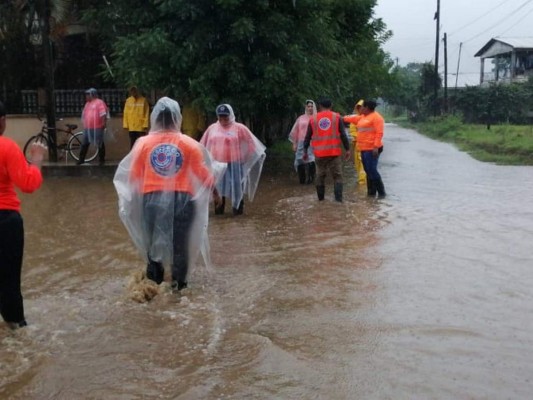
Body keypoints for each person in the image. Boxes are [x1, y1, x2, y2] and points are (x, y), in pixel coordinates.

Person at [113, 97, 225, 291]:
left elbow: (133, 178)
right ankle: (178, 287)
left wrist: (130, 204)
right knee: (180, 245)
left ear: (155, 117)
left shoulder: (143, 144)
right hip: (183, 200)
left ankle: (153, 284)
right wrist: (216, 193)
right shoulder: (189, 144)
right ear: (177, 118)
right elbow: (203, 175)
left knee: (151, 243)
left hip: (151, 200)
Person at [0, 100, 47, 329]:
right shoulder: (7, 147)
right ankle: (16, 328)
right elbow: (28, 184)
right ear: (2, 121)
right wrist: (37, 159)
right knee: (9, 279)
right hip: (5, 220)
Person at [200, 104, 266, 216]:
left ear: (230, 115)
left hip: (234, 164)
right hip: (218, 165)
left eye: (225, 117)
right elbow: (203, 145)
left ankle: (237, 214)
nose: (223, 120)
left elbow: (251, 143)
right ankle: (219, 215)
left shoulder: (239, 128)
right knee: (218, 189)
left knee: (236, 188)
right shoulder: (212, 128)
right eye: (220, 117)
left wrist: (245, 156)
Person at [303, 97, 351, 202]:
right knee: (337, 176)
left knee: (320, 176)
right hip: (334, 153)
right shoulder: (336, 117)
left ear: (319, 106)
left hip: (319, 154)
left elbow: (307, 137)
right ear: (331, 106)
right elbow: (343, 135)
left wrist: (305, 151)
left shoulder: (313, 119)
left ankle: (321, 201)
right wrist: (347, 149)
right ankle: (338, 202)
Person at [343, 99, 386, 198]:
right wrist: (341, 118)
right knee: (367, 170)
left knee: (372, 170)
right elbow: (352, 119)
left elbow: (379, 133)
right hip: (363, 148)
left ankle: (381, 193)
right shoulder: (362, 117)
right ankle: (371, 193)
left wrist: (375, 147)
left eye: (361, 107)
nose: (360, 109)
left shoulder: (377, 118)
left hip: (372, 149)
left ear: (366, 108)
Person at [78, 88, 109, 166]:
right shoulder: (87, 104)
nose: (86, 96)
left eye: (87, 95)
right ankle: (81, 159)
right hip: (88, 128)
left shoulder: (99, 102)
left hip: (98, 127)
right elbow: (84, 114)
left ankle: (101, 159)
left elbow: (103, 113)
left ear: (92, 95)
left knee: (100, 143)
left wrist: (103, 123)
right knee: (85, 143)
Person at [288, 100, 317, 184]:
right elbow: (295, 131)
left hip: (312, 142)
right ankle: (302, 179)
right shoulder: (300, 118)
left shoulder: (316, 118)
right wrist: (294, 143)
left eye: (312, 106)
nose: (310, 108)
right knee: (300, 160)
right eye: (309, 106)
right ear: (306, 107)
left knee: (311, 160)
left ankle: (311, 179)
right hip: (301, 142)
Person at [349, 99, 367, 186]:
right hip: (357, 146)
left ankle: (363, 184)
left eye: (362, 107)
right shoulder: (355, 119)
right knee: (358, 166)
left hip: (367, 146)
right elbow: (352, 132)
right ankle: (363, 184)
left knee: (363, 166)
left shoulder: (371, 118)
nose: (361, 109)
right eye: (359, 108)